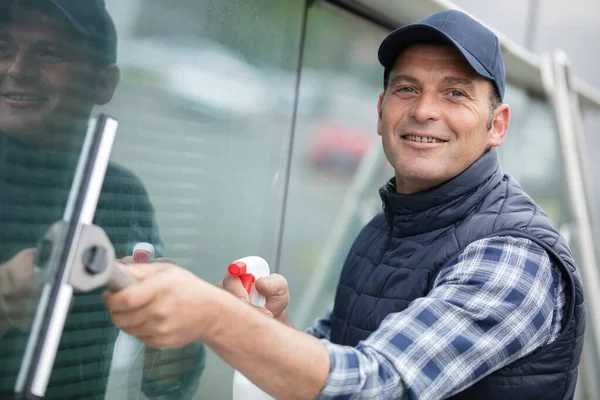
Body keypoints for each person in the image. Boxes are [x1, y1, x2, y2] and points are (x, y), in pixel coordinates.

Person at [103, 9, 585, 400]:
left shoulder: (515, 256)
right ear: (381, 112)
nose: (423, 110)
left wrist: (214, 315)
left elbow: (375, 386)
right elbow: (337, 354)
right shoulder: (391, 223)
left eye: (455, 93)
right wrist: (271, 326)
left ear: (497, 125)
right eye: (406, 88)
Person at [0, 0, 204, 399]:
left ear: (103, 84)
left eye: (50, 53)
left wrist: (174, 340)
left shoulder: (121, 194)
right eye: (3, 49)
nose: (17, 69)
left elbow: (166, 386)